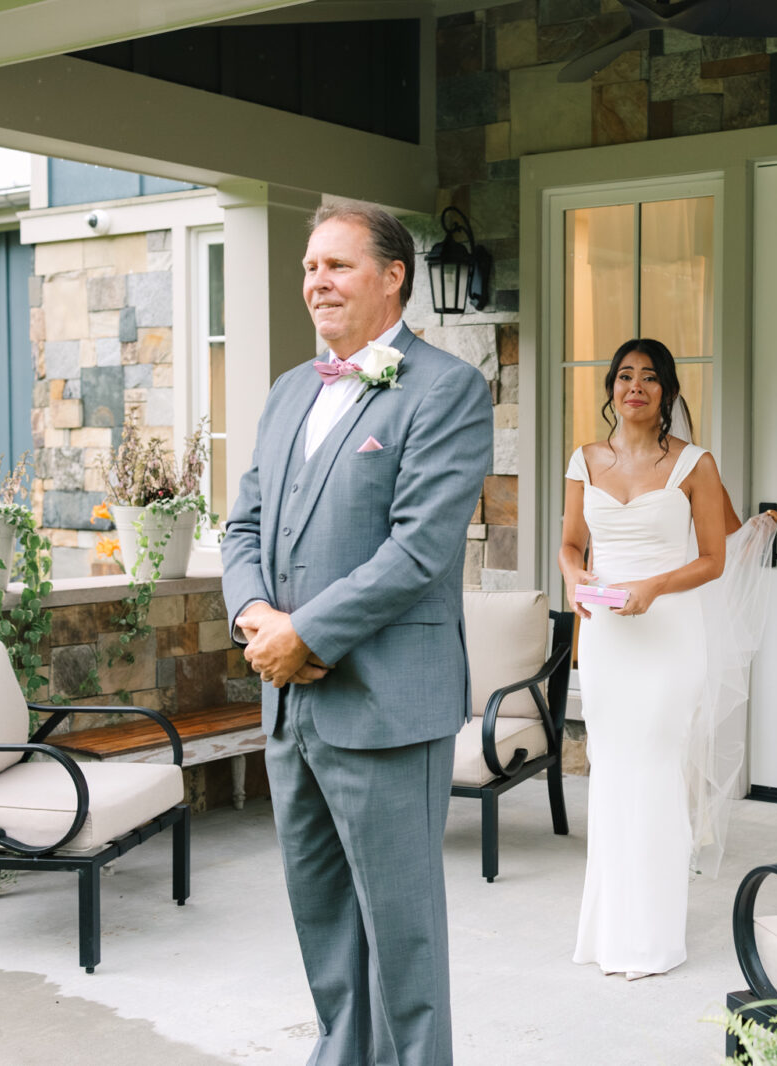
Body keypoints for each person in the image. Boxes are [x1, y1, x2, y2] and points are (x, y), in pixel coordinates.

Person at [220, 198, 492, 1066]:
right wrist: (254, 616)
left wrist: (307, 633)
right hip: (290, 710)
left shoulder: (448, 390)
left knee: (401, 932)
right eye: (309, 267)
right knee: (324, 917)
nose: (317, 282)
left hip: (383, 707)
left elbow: (418, 552)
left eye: (336, 265)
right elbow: (243, 531)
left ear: (392, 277)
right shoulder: (288, 391)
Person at [560, 337, 729, 979]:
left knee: (655, 771)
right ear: (610, 388)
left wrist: (655, 586)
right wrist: (575, 580)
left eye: (650, 377)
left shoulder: (695, 465)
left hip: (669, 635)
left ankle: (653, 938)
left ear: (668, 393)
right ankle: (607, 933)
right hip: (606, 636)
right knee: (611, 774)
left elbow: (712, 559)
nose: (636, 386)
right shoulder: (583, 460)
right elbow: (572, 545)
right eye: (625, 375)